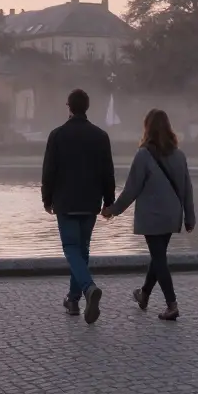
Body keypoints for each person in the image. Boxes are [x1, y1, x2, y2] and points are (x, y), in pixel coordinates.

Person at [102, 109, 195, 321]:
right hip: (172, 215)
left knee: (159, 257)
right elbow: (187, 188)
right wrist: (190, 217)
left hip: (153, 216)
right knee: (158, 256)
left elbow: (131, 189)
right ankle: (144, 295)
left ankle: (172, 304)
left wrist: (113, 210)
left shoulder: (143, 155)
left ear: (147, 128)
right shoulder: (179, 156)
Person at [42, 88, 116, 324]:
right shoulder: (100, 136)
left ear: (69, 107)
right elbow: (108, 171)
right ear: (87, 107)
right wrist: (109, 200)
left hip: (65, 201)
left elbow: (49, 171)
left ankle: (88, 288)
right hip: (90, 201)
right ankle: (73, 300)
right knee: (82, 248)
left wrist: (47, 198)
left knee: (71, 248)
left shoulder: (57, 135)